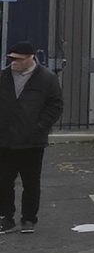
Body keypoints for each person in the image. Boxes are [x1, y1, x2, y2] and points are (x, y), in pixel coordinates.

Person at [0, 42, 64, 235]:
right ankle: (6, 217)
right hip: (6, 139)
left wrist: (40, 127)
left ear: (31, 58)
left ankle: (29, 219)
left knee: (31, 182)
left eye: (18, 59)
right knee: (3, 181)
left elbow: (55, 105)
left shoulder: (46, 79)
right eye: (12, 58)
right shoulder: (3, 76)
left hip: (32, 142)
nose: (14, 62)